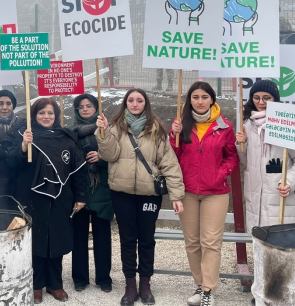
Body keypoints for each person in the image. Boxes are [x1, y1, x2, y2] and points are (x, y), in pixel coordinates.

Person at [97, 89, 184, 305]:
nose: (135, 104)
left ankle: (145, 284)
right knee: (127, 240)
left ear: (146, 104)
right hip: (122, 193)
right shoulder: (115, 127)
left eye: (139, 100)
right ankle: (129, 285)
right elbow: (109, 155)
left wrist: (176, 195)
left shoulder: (157, 129)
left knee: (146, 239)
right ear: (125, 103)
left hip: (149, 194)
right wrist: (104, 134)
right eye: (131, 100)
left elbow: (168, 163)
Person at [8, 98, 87, 304]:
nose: (46, 117)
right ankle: (36, 284)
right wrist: (24, 146)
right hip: (32, 198)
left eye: (50, 113)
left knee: (57, 239)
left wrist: (80, 196)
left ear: (56, 116)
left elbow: (78, 170)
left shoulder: (67, 138)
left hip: (61, 198)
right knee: (36, 242)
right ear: (34, 116)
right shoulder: (25, 136)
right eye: (42, 113)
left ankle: (55, 283)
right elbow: (11, 164)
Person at [171, 81, 239, 306]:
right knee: (192, 241)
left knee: (210, 241)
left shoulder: (225, 126)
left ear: (212, 99)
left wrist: (221, 174)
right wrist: (174, 136)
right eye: (195, 97)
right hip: (188, 191)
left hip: (215, 192)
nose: (199, 101)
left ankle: (209, 289)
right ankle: (199, 285)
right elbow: (173, 156)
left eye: (204, 97)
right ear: (189, 100)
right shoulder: (182, 124)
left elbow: (232, 157)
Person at [235, 79, 295, 230]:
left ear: (275, 99)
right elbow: (248, 162)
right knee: (260, 249)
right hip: (256, 203)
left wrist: (289, 181)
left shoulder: (287, 123)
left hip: (282, 201)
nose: (261, 102)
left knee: (283, 250)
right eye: (256, 97)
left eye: (266, 97)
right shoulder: (247, 126)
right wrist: (241, 145)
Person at [69, 93, 113, 294]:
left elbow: (118, 155)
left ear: (96, 108)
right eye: (81, 106)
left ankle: (104, 277)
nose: (85, 109)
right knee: (78, 237)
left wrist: (101, 157)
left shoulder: (106, 130)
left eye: (89, 106)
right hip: (78, 190)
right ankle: (79, 277)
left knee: (102, 237)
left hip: (101, 188)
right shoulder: (70, 133)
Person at [0, 89, 26, 209]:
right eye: (0, 103)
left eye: (8, 103)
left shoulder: (24, 125)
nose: (5, 107)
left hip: (18, 179)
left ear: (13, 106)